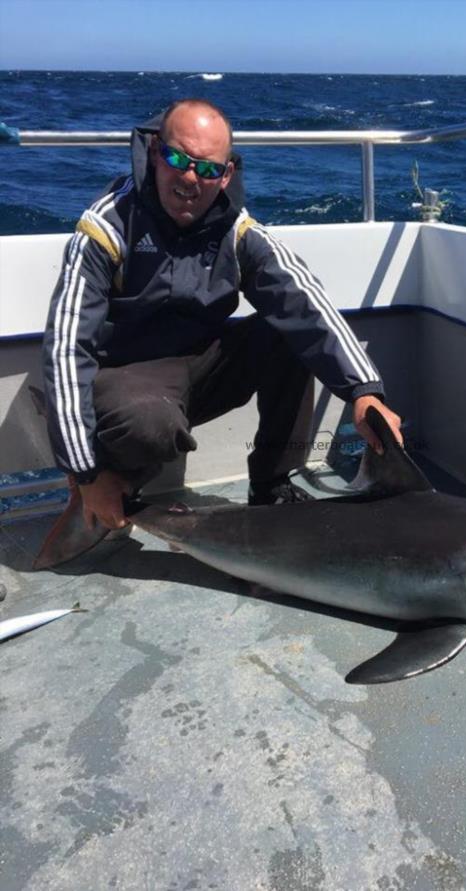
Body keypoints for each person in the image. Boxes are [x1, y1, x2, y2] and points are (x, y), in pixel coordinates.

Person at [38, 98, 401, 558]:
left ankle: (271, 487)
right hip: (128, 374)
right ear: (154, 153)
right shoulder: (108, 224)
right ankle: (105, 489)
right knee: (151, 420)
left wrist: (364, 389)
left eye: (207, 169)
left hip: (199, 364)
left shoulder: (239, 231)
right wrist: (86, 470)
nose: (190, 178)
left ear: (226, 174)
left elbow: (307, 303)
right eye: (176, 159)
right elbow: (67, 350)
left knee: (287, 335)